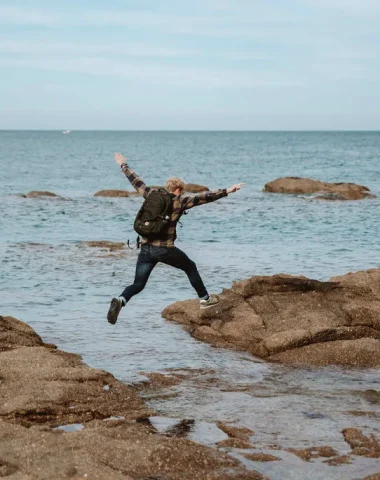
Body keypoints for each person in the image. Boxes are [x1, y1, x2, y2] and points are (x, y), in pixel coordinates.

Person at [107, 152, 245, 325]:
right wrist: (228, 191)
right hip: (164, 249)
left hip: (146, 249)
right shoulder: (180, 201)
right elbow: (204, 197)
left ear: (167, 187)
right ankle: (204, 299)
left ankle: (121, 300)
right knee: (190, 266)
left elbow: (136, 181)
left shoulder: (151, 195)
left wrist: (123, 165)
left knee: (138, 284)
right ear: (178, 189)